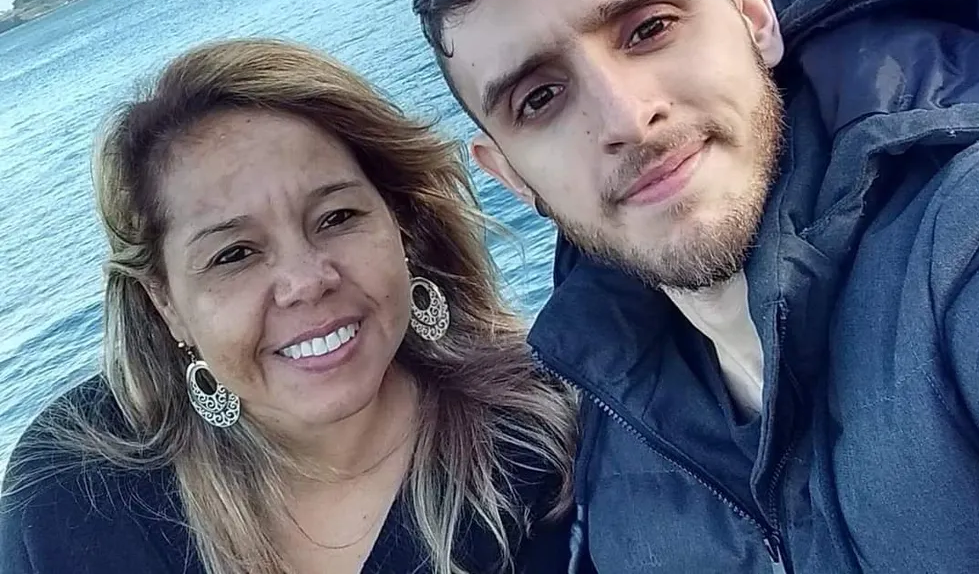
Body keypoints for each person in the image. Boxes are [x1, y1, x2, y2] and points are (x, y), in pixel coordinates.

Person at [411, 0, 979, 574]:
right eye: (541, 98)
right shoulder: (610, 444)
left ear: (754, 16)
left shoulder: (960, 243)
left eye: (649, 28)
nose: (626, 116)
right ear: (511, 176)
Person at [0, 39, 578, 574]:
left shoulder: (548, 447)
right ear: (166, 302)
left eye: (336, 217)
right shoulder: (70, 499)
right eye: (234, 254)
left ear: (401, 226)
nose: (306, 282)